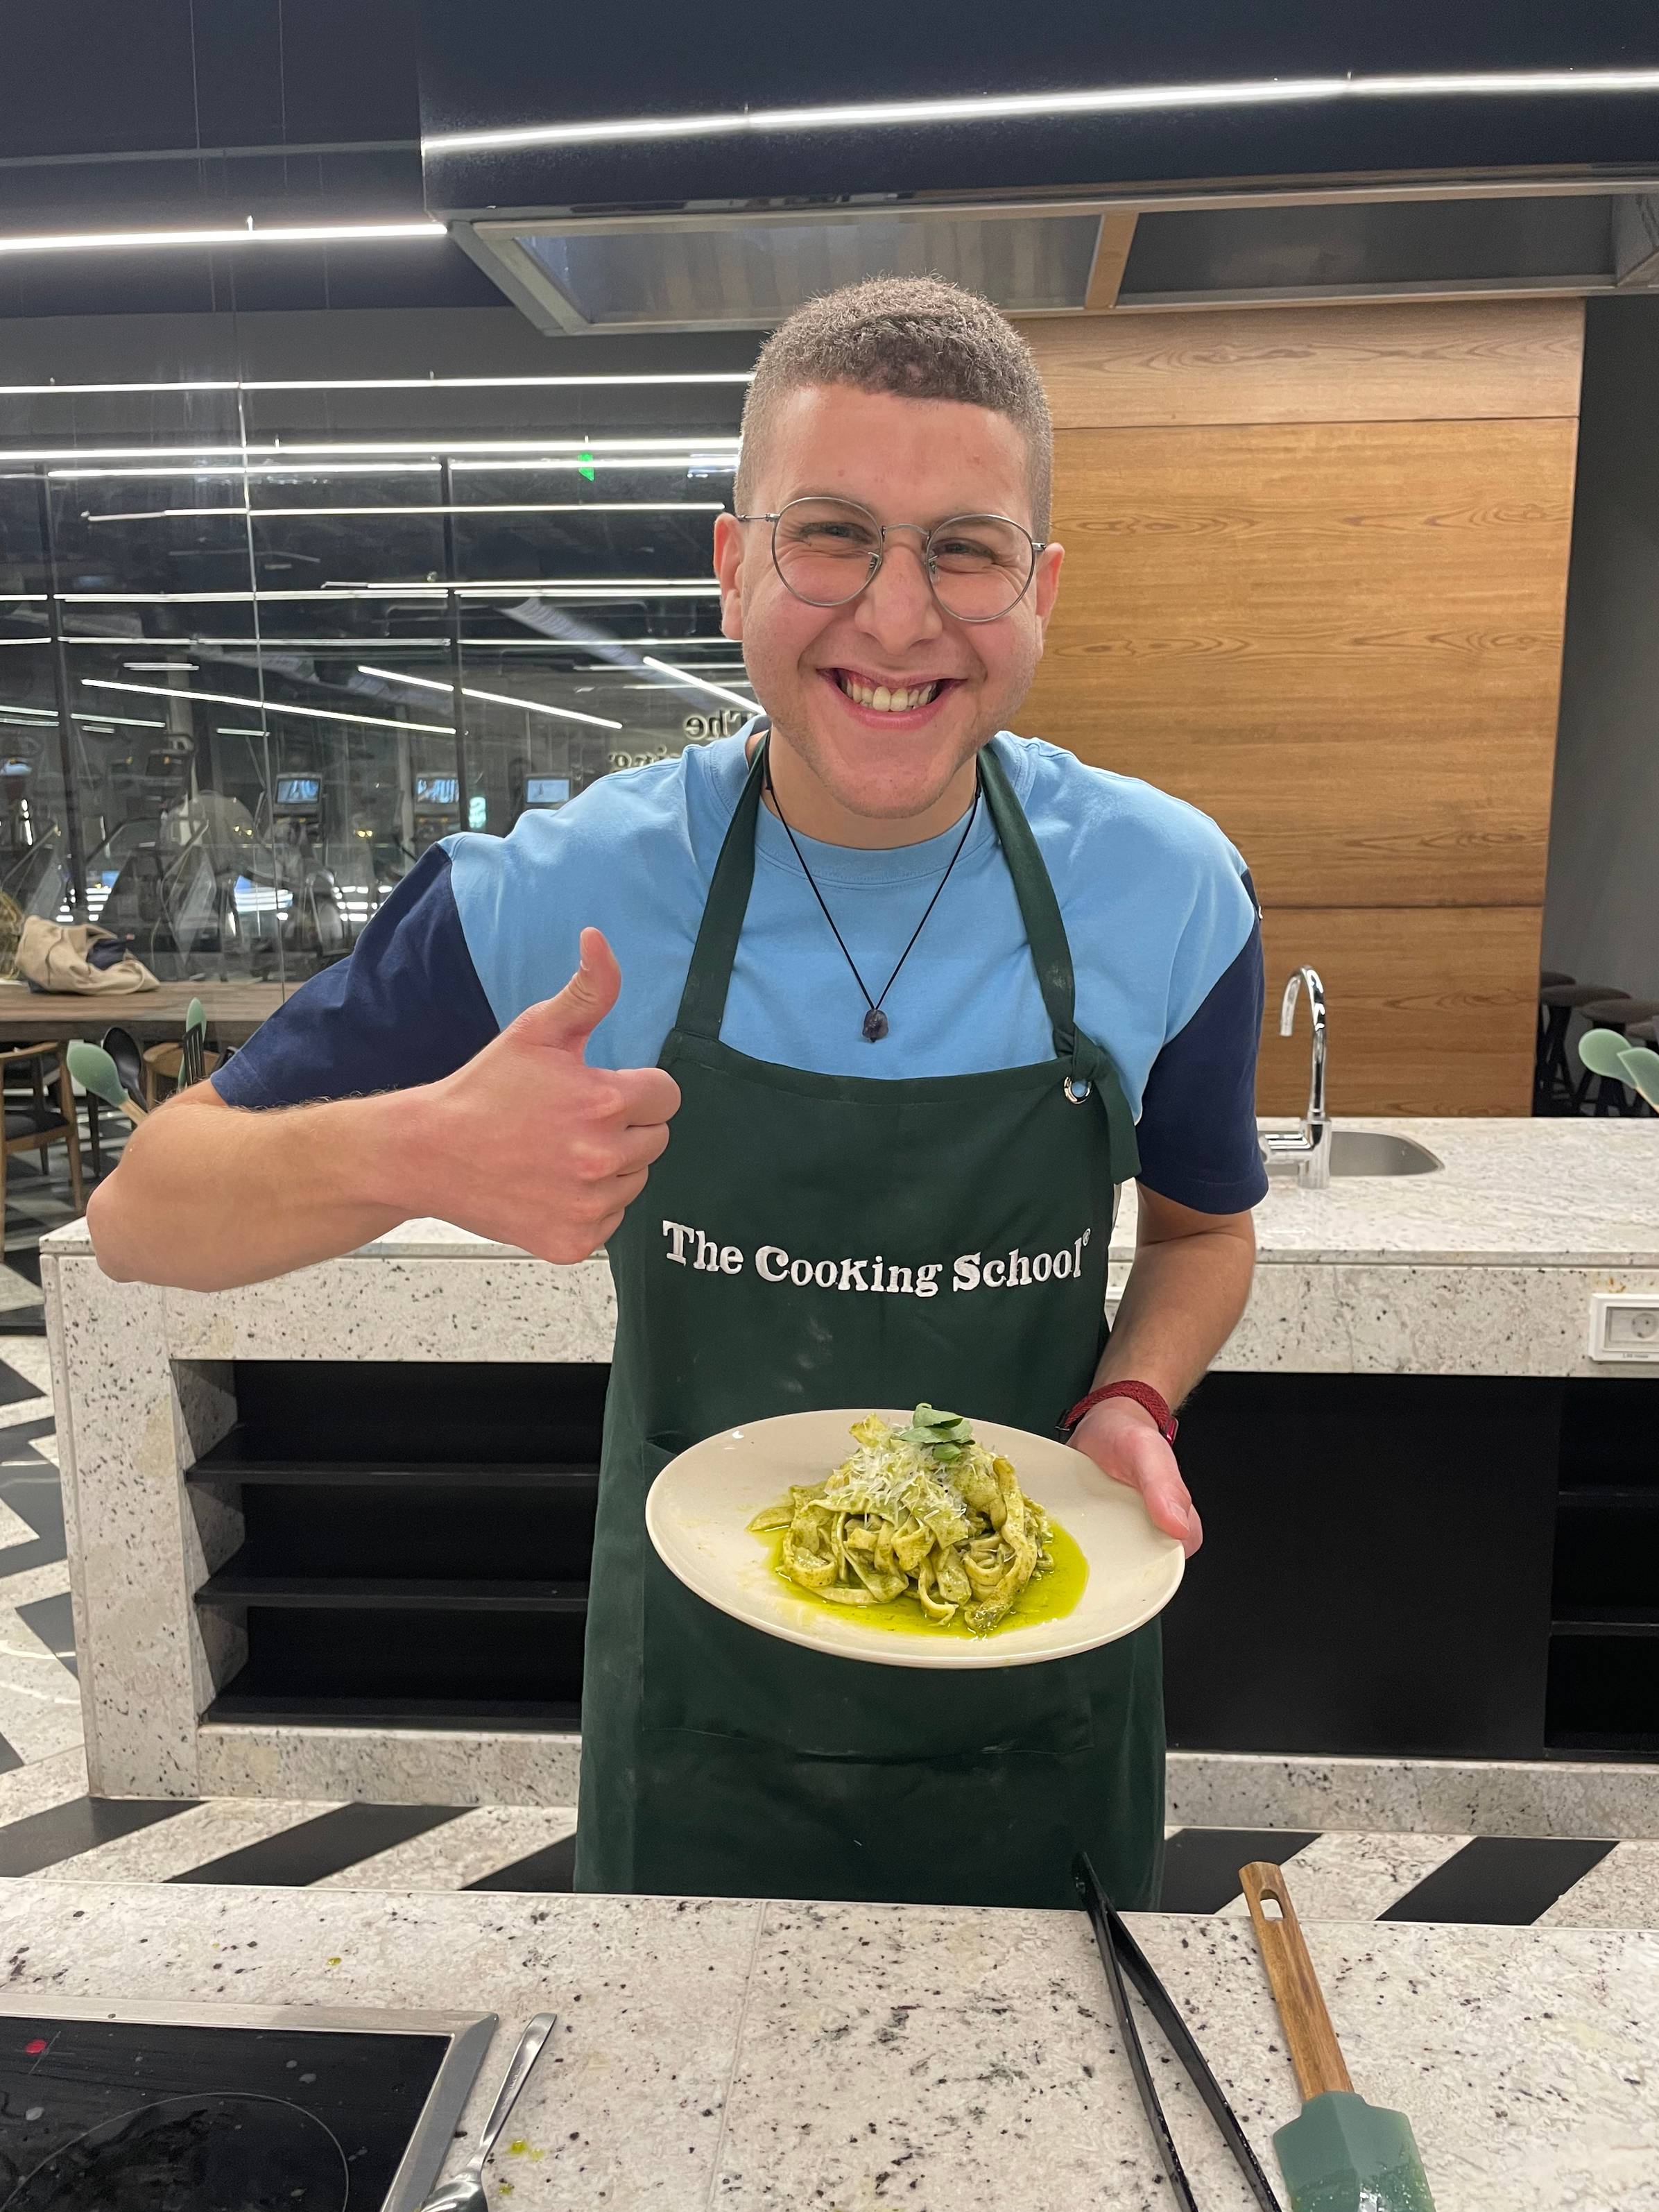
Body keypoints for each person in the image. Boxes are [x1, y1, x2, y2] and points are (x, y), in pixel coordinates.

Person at [88, 277, 1265, 1912]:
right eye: (832, 535)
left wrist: (1133, 1398)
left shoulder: (1172, 891)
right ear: (734, 566)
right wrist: (424, 1147)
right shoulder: (555, 894)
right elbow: (144, 1215)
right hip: (704, 1724)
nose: (899, 615)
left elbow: (1205, 1231)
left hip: (1041, 1708)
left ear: (1041, 591)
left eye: (967, 550)